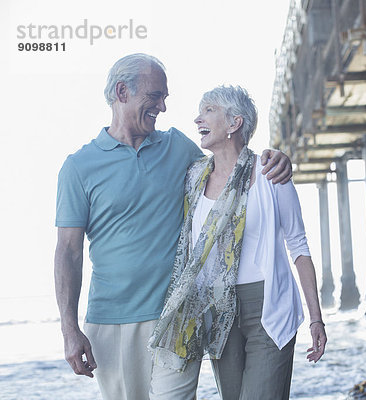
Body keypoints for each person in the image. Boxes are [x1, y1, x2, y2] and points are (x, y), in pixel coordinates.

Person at [54, 53, 293, 400]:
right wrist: (69, 328)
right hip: (112, 321)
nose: (163, 107)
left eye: (165, 97)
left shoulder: (177, 147)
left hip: (180, 314)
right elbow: (68, 251)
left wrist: (274, 158)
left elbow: (231, 164)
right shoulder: (78, 167)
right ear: (122, 92)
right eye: (154, 96)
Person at [147, 85, 327, 399]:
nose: (197, 119)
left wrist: (316, 318)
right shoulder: (194, 176)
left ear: (235, 123)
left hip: (269, 305)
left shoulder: (271, 173)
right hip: (217, 308)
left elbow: (298, 246)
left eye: (208, 110)